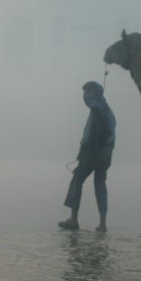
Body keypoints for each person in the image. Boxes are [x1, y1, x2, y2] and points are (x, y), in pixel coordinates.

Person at [59, 81, 116, 232]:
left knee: (77, 180)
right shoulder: (108, 110)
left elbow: (93, 135)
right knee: (100, 185)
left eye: (88, 93)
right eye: (85, 93)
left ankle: (73, 220)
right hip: (105, 157)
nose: (85, 96)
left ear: (96, 94)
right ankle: (103, 224)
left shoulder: (96, 109)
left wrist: (84, 155)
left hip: (92, 155)